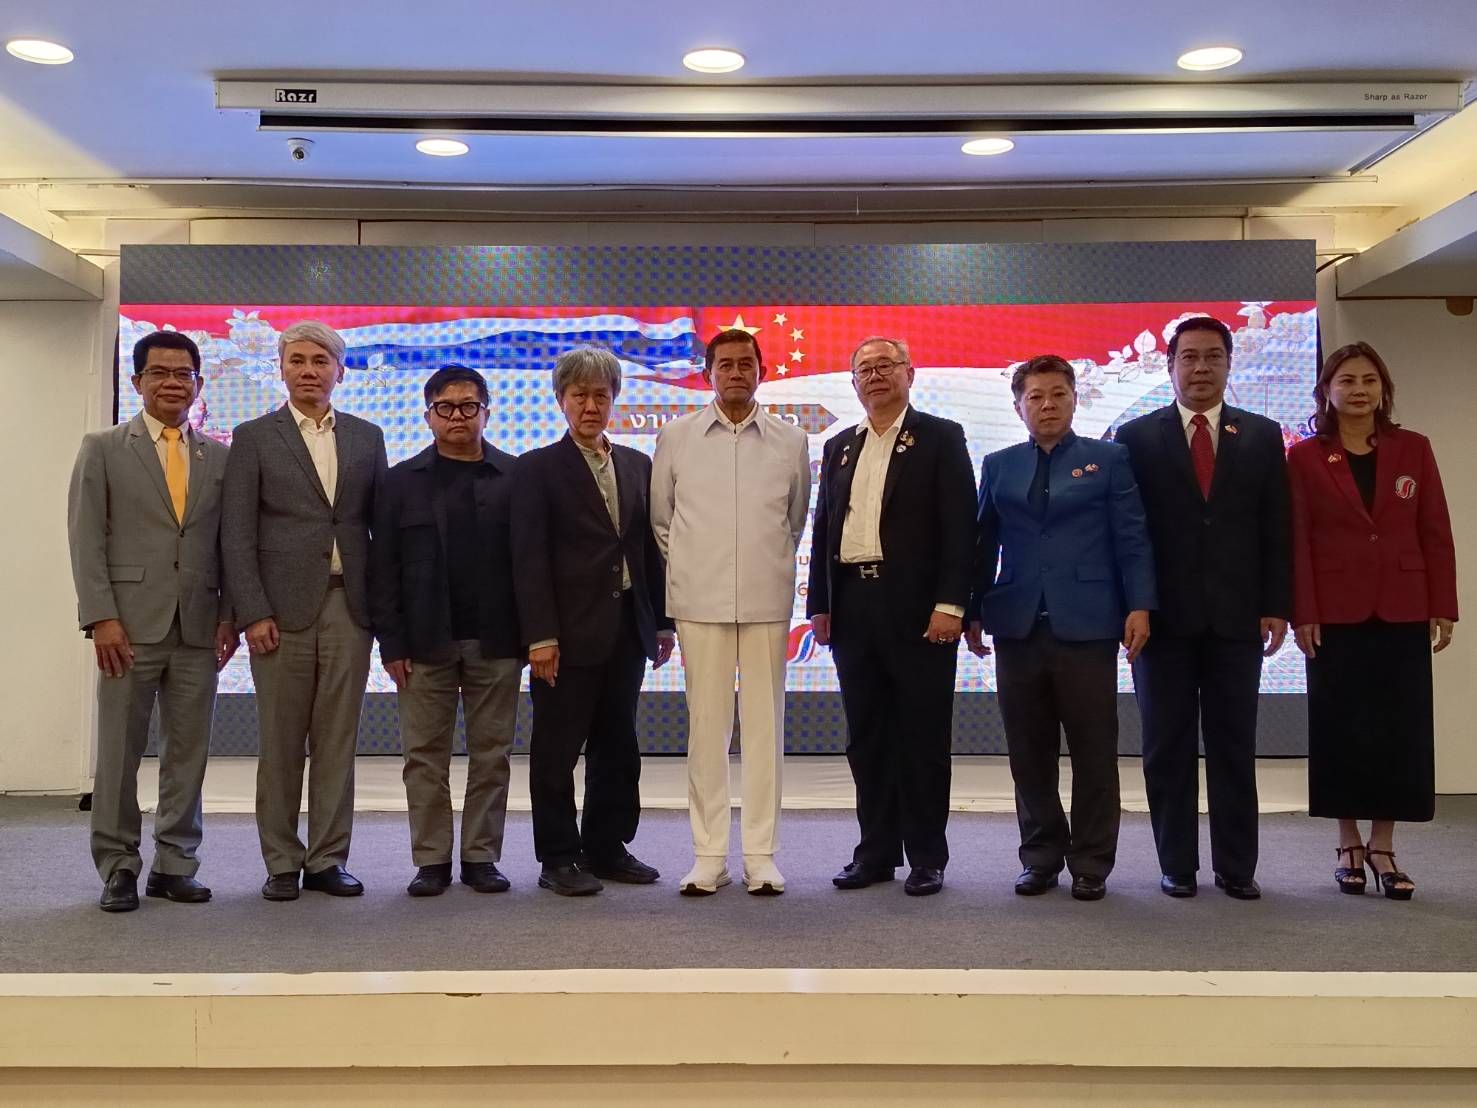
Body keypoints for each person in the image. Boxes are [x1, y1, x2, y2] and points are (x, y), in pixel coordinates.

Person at [967, 354, 1155, 901]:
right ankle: (1040, 856)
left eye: (1058, 395)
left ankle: (1092, 861)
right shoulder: (999, 465)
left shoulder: (1108, 459)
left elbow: (1132, 537)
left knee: (1094, 749)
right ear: (1018, 407)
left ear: (1075, 400)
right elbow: (982, 544)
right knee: (1029, 751)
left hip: (1088, 624)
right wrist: (973, 609)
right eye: (1035, 396)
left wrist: (1140, 605)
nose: (1047, 405)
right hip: (1017, 625)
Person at [1115, 316, 1291, 901]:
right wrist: (1134, 604)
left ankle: (1237, 866)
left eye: (1213, 356)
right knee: (1166, 747)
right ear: (1170, 366)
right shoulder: (1135, 437)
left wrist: (1276, 604)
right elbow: (1128, 532)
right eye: (1188, 357)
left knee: (1233, 745)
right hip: (1161, 621)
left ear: (1229, 363)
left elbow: (1276, 527)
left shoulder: (1261, 435)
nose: (1200, 368)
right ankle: (1177, 865)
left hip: (1238, 618)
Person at [67, 331, 238, 912]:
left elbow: (228, 544)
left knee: (188, 752)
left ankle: (175, 865)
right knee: (119, 753)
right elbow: (86, 538)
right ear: (137, 381)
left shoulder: (219, 457)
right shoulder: (104, 447)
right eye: (159, 372)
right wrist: (101, 617)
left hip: (199, 626)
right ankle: (118, 865)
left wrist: (228, 616)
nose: (172, 383)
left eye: (183, 373)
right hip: (128, 628)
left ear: (198, 383)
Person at [222, 320, 387, 901]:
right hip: (278, 614)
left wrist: (383, 613)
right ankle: (282, 862)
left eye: (320, 361)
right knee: (281, 744)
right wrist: (252, 612)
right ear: (281, 368)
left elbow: (381, 529)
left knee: (338, 742)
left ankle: (327, 860)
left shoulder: (367, 437)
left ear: (340, 370)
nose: (309, 371)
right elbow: (236, 533)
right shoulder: (253, 437)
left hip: (350, 608)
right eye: (298, 360)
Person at [807, 337, 976, 897]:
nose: (875, 376)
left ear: (910, 373)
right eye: (865, 369)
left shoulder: (941, 437)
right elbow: (825, 526)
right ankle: (875, 852)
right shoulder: (839, 446)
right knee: (867, 737)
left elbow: (961, 527)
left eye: (886, 366)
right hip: (854, 607)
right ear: (853, 382)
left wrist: (951, 605)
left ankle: (927, 856)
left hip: (921, 611)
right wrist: (820, 605)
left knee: (922, 735)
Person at [1289, 341, 1457, 901]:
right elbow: (1298, 541)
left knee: (1398, 729)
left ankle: (1383, 845)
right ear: (1327, 391)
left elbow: (1435, 528)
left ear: (1383, 389)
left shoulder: (1414, 448)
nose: (1358, 390)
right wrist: (1304, 611)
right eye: (1346, 381)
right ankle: (1348, 844)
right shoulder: (1305, 457)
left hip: (1404, 606)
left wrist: (1443, 602)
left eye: (1369, 380)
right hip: (1334, 613)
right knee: (1340, 727)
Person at [651, 328, 811, 896]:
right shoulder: (677, 437)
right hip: (699, 602)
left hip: (766, 600)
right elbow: (663, 521)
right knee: (707, 730)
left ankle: (761, 856)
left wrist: (760, 565)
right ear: (708, 373)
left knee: (765, 731)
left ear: (762, 371)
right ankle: (709, 855)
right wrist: (699, 566)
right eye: (726, 364)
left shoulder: (791, 440)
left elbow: (793, 521)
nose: (737, 372)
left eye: (747, 363)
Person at [512, 347, 674, 896]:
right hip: (563, 636)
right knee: (556, 752)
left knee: (618, 746)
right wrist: (540, 635)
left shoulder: (637, 464)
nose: (590, 406)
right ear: (561, 400)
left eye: (600, 395)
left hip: (627, 629)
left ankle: (607, 847)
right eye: (579, 395)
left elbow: (648, 549)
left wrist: (662, 622)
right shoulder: (536, 468)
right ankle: (559, 857)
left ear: (614, 400)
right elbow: (527, 558)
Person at [370, 365, 522, 897]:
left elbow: (530, 564)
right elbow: (382, 571)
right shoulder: (399, 482)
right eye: (446, 407)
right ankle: (431, 859)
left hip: (497, 642)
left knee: (492, 755)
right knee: (424, 758)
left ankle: (481, 856)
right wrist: (391, 643)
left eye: (468, 405)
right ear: (428, 415)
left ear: (487, 412)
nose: (458, 416)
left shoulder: (514, 477)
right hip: (422, 643)